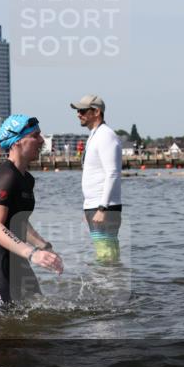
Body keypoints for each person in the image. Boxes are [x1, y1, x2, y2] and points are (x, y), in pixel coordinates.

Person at [0, 115, 63, 310]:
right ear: (16, 142)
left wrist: (45, 247)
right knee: (6, 331)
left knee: (38, 322)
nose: (41, 141)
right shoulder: (5, 177)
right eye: (35, 135)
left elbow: (19, 220)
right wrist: (32, 253)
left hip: (19, 263)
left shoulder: (26, 179)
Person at [71, 94, 122, 263]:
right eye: (78, 111)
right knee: (106, 254)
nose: (78, 114)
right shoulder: (95, 135)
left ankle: (108, 288)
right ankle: (109, 287)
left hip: (104, 207)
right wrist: (88, 207)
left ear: (97, 112)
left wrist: (102, 208)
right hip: (94, 206)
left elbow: (112, 173)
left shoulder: (106, 135)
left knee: (106, 255)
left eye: (83, 110)